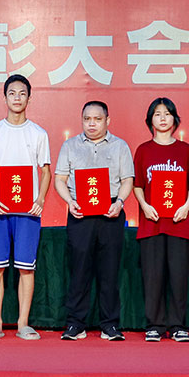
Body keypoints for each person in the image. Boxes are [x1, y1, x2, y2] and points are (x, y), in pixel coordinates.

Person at [0, 75, 52, 341]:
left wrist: (40, 200)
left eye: (22, 93)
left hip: (28, 211)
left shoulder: (38, 133)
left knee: (26, 268)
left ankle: (23, 324)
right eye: (12, 93)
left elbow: (46, 171)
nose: (17, 98)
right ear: (5, 97)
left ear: (29, 98)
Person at [53, 101, 134, 341]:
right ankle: (75, 324)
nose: (92, 124)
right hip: (80, 212)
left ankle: (110, 325)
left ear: (107, 120)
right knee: (79, 270)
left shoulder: (120, 146)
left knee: (109, 271)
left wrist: (120, 202)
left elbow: (127, 180)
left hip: (111, 212)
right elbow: (59, 179)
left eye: (97, 119)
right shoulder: (70, 145)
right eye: (87, 119)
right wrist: (70, 201)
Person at [133, 97, 189, 343]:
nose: (162, 118)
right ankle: (154, 325)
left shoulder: (185, 149)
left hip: (179, 223)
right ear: (150, 120)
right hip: (151, 223)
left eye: (167, 113)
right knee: (153, 277)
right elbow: (137, 185)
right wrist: (144, 205)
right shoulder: (143, 150)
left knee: (178, 277)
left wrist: (186, 206)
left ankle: (177, 325)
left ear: (175, 118)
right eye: (157, 114)